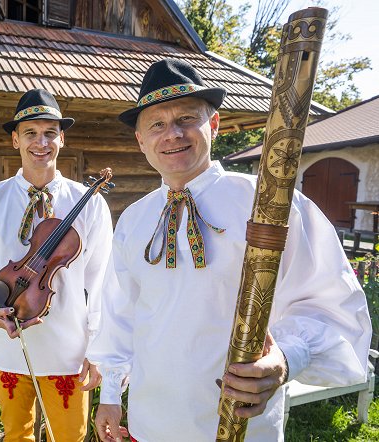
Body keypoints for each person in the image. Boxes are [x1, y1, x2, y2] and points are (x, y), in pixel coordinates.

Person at [89, 59, 372, 441]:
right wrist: (110, 395)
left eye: (187, 118)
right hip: (150, 422)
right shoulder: (134, 219)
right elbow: (120, 315)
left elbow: (332, 308)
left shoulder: (270, 202)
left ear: (215, 124)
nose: (172, 134)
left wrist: (288, 358)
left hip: (241, 427)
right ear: (140, 141)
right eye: (156, 124)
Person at [0, 88, 113, 441]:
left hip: (67, 350)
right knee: (16, 436)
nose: (41, 142)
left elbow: (103, 283)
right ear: (15, 139)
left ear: (61, 138)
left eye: (49, 133)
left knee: (70, 436)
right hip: (9, 347)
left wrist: (99, 348)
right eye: (30, 133)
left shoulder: (90, 204)